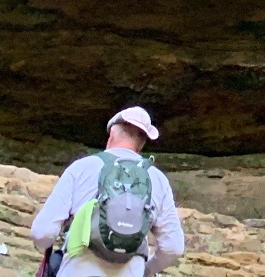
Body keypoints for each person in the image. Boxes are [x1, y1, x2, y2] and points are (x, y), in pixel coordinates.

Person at [32, 106, 185, 276]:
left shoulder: (82, 168)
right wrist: (147, 270)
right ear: (142, 143)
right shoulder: (157, 179)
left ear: (112, 133)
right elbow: (174, 247)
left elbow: (42, 233)